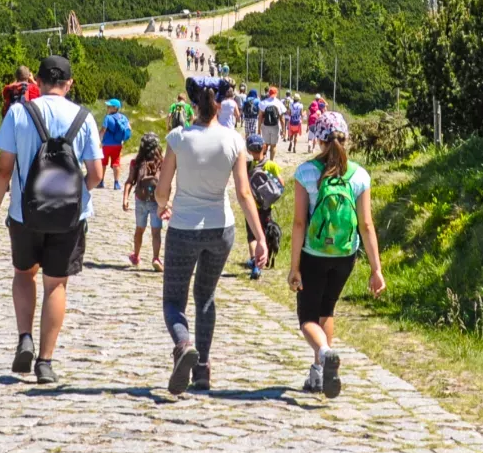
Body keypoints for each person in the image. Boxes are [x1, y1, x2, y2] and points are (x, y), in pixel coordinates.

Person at [0, 55, 103, 385]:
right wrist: (76, 193)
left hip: (25, 213)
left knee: (24, 275)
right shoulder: (84, 117)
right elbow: (96, 173)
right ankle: (45, 362)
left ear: (37, 81)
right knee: (55, 284)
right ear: (70, 83)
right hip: (69, 217)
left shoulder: (19, 113)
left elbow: (3, 169)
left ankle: (25, 337)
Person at [157, 76, 267, 395]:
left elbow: (163, 190)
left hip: (183, 228)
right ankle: (202, 369)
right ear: (220, 104)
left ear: (193, 104)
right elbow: (244, 193)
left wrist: (164, 206)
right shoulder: (234, 140)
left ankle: (183, 344)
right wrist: (259, 236)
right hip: (222, 229)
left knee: (173, 300)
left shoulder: (178, 138)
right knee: (205, 297)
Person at [288, 111, 384, 399]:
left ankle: (325, 353)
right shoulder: (359, 175)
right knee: (326, 309)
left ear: (318, 138)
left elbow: (299, 224)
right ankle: (321, 373)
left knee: (307, 317)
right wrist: (376, 269)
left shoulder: (306, 173)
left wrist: (294, 267)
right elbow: (366, 225)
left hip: (313, 253)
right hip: (345, 255)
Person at [123, 133, 165, 270]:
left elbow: (130, 181)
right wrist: (166, 201)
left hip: (140, 200)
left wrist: (125, 199)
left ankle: (136, 255)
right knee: (156, 232)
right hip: (156, 201)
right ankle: (156, 258)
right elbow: (166, 183)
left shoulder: (136, 162)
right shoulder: (161, 162)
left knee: (139, 230)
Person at [244, 134, 284, 279]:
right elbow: (281, 184)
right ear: (264, 147)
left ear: (249, 150)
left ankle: (255, 262)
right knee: (263, 233)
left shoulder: (248, 166)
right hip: (266, 207)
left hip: (251, 206)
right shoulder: (271, 165)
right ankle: (262, 261)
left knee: (252, 236)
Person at [100, 99, 132, 189]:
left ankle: (101, 182)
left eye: (109, 106)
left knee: (103, 163)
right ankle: (116, 183)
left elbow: (103, 130)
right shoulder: (123, 118)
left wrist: (99, 139)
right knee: (116, 163)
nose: (107, 107)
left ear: (115, 108)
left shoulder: (107, 118)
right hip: (118, 144)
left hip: (106, 144)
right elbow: (129, 128)